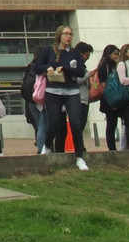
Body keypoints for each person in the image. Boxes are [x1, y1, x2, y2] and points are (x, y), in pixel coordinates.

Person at [34, 25, 89, 171]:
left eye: (70, 34)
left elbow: (81, 72)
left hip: (72, 91)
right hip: (53, 91)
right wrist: (48, 68)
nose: (68, 37)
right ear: (59, 35)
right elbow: (36, 67)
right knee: (54, 123)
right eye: (66, 34)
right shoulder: (49, 50)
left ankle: (79, 157)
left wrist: (66, 69)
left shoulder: (75, 53)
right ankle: (46, 145)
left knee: (76, 123)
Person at [95, 45, 121, 151]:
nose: (117, 56)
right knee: (111, 123)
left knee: (112, 123)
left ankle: (112, 147)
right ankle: (111, 147)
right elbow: (104, 83)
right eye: (115, 54)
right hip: (109, 97)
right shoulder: (105, 64)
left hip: (114, 96)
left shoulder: (113, 64)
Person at [75, 42, 94, 129]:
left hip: (85, 100)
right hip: (78, 100)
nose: (87, 58)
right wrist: (89, 75)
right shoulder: (74, 65)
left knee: (81, 125)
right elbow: (76, 80)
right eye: (86, 55)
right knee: (77, 126)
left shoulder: (83, 67)